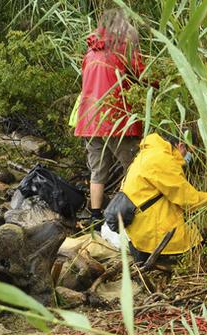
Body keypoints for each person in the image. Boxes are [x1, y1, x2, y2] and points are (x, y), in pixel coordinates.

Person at [74, 8, 146, 224]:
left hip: (88, 119)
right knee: (133, 166)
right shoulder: (123, 50)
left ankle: (95, 218)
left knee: (97, 170)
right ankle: (128, 215)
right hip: (116, 119)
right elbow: (144, 75)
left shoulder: (90, 52)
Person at [117, 129, 207, 267]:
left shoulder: (148, 153)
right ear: (181, 146)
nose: (189, 156)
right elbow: (186, 198)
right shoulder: (161, 159)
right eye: (189, 151)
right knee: (203, 250)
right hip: (153, 235)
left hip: (140, 234)